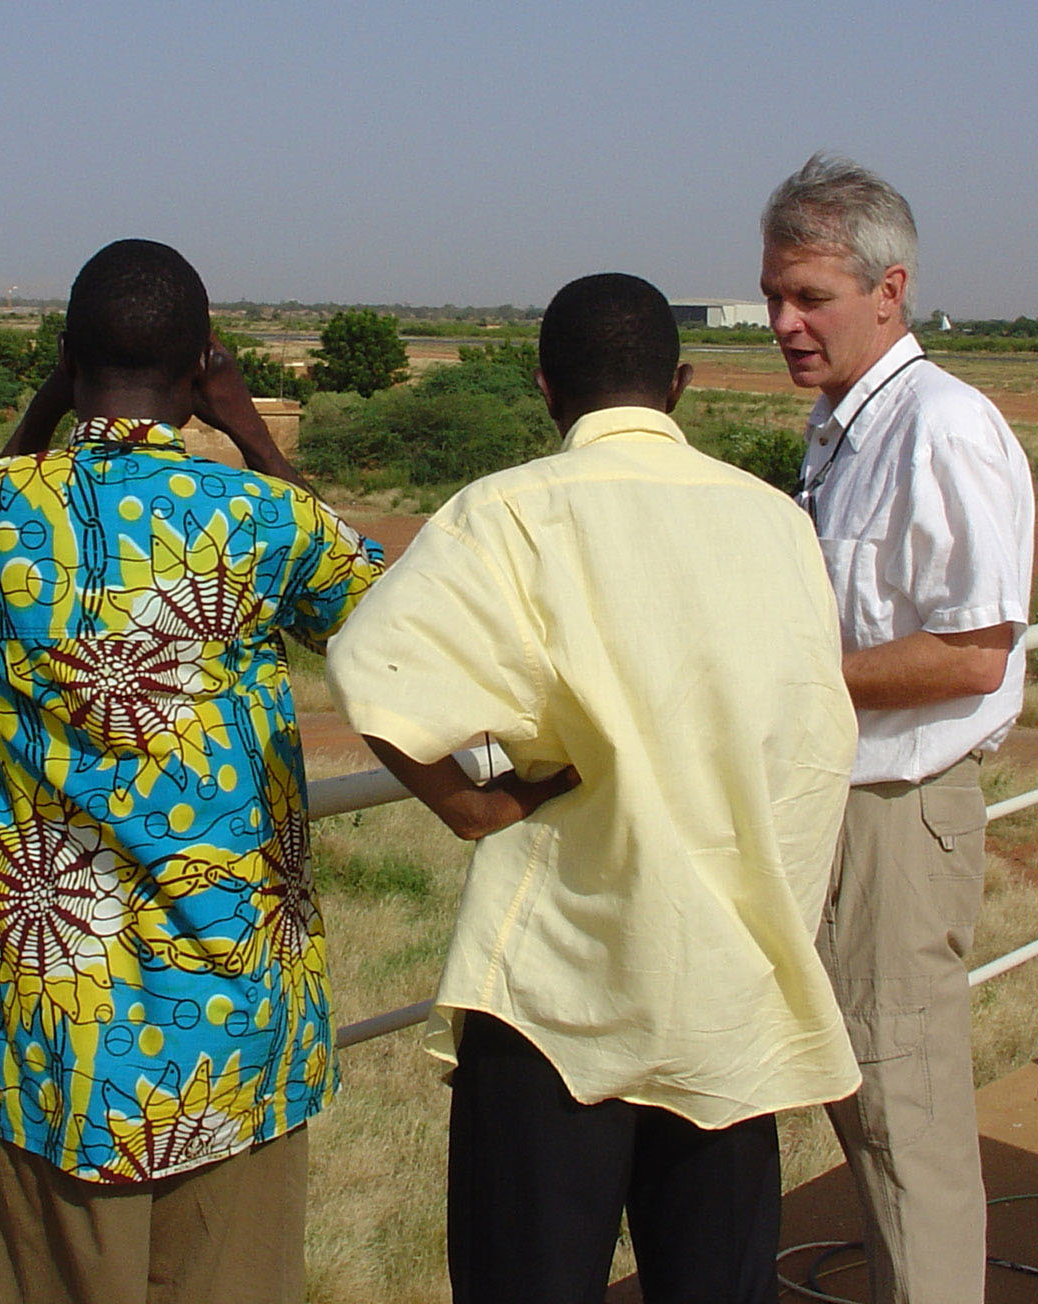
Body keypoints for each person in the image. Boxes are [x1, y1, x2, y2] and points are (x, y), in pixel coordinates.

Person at [328, 272, 862, 1304]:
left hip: (558, 994)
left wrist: (470, 802)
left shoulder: (508, 512)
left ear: (544, 387)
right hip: (727, 1000)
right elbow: (808, 741)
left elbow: (371, 666)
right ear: (679, 384)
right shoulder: (775, 523)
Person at [0, 238, 383, 1304]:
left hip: (61, 1039)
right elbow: (379, 611)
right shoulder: (265, 519)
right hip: (238, 1025)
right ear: (202, 365)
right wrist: (252, 432)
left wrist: (46, 412)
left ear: (68, 363)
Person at [758, 154, 1035, 1304]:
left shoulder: (942, 428)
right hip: (843, 806)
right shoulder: (843, 430)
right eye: (775, 295)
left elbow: (975, 651)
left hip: (899, 816)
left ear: (890, 290)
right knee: (864, 1107)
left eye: (810, 297)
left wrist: (788, 683)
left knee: (903, 1115)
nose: (785, 322)